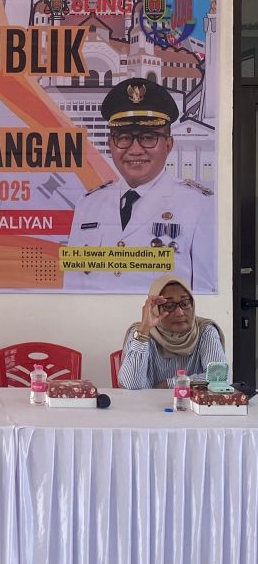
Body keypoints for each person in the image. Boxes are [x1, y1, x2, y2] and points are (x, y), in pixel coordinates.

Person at [65, 77, 215, 292]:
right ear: (110, 145)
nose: (135, 150)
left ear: (168, 144)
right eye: (124, 137)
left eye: (148, 137)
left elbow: (206, 293)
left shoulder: (199, 205)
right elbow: (72, 288)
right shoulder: (88, 205)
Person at [118, 273, 226, 389]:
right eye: (169, 306)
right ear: (155, 309)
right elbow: (131, 385)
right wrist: (144, 330)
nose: (179, 312)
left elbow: (218, 377)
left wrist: (170, 384)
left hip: (192, 401)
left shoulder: (205, 331)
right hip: (146, 401)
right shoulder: (140, 333)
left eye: (185, 303)